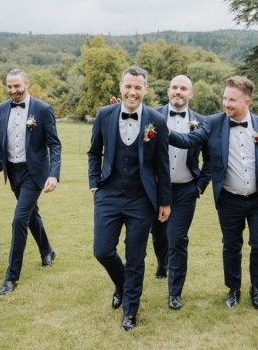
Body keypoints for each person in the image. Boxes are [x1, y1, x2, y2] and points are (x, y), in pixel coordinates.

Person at [169, 76, 258, 310]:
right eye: (224, 98)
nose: (226, 104)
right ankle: (233, 289)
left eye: (232, 100)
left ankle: (256, 287)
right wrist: (164, 130)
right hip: (229, 199)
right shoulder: (212, 123)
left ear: (247, 102)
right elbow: (190, 140)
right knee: (231, 245)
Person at [88, 65, 172, 331]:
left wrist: (165, 201)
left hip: (141, 199)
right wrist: (94, 184)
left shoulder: (156, 122)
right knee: (102, 250)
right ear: (121, 87)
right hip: (108, 195)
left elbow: (162, 165)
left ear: (145, 89)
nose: (132, 92)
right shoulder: (104, 115)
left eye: (138, 87)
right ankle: (122, 285)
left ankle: (130, 311)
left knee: (136, 257)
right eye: (128, 86)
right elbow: (94, 153)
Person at [0, 69, 62, 295]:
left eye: (16, 86)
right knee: (30, 215)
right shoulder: (0, 109)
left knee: (19, 219)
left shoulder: (42, 109)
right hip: (14, 173)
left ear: (27, 83)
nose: (13, 91)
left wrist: (54, 174)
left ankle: (11, 277)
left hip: (34, 173)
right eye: (9, 87)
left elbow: (55, 144)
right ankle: (47, 250)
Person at [150, 75, 211, 310]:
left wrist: (200, 186)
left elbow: (210, 160)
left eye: (183, 88)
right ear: (168, 91)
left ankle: (175, 293)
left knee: (178, 239)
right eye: (174, 87)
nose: (178, 91)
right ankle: (162, 263)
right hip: (155, 189)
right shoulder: (152, 116)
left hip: (186, 189)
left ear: (190, 94)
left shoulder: (202, 122)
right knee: (158, 235)